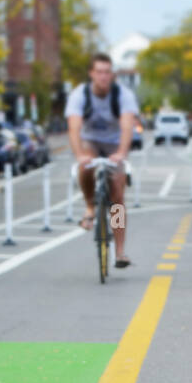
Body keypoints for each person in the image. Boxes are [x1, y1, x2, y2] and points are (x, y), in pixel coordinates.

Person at [66, 52, 140, 268]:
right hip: (90, 140)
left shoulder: (123, 95)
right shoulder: (79, 95)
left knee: (117, 196)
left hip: (114, 143)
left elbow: (127, 126)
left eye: (107, 72)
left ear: (112, 75)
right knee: (86, 164)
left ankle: (120, 252)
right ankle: (90, 207)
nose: (103, 77)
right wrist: (79, 154)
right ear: (91, 74)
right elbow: (74, 127)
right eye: (99, 72)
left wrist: (121, 153)